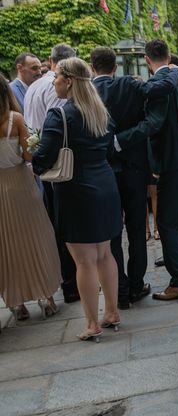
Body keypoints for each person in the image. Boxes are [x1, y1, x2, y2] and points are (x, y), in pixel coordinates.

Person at [115, 40, 178, 299]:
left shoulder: (159, 86)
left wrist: (118, 141)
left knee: (166, 221)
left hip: (177, 160)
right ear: (169, 56)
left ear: (147, 61)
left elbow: (154, 123)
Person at [32, 57, 121, 342]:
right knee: (105, 253)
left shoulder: (60, 115)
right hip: (105, 185)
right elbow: (109, 148)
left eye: (57, 76)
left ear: (69, 81)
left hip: (76, 190)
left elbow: (41, 159)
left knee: (84, 261)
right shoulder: (101, 112)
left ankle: (93, 323)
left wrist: (31, 154)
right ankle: (112, 312)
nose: (54, 81)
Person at [90, 46, 178, 309]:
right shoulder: (129, 84)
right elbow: (161, 89)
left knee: (112, 231)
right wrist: (172, 71)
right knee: (136, 228)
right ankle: (136, 284)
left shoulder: (85, 92)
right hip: (134, 167)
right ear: (115, 66)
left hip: (103, 170)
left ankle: (119, 289)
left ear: (92, 67)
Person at [0, 76, 60, 322]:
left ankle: (16, 303)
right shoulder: (16, 120)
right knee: (36, 239)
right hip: (21, 186)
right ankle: (46, 298)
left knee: (6, 247)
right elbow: (28, 154)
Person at [24, 43, 79, 303]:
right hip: (59, 166)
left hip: (42, 164)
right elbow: (60, 129)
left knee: (55, 224)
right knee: (67, 225)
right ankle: (71, 284)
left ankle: (62, 279)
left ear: (51, 59)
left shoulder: (33, 87)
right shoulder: (57, 89)